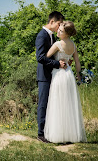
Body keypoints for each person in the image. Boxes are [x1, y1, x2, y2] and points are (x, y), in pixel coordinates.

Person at [44, 21, 87, 143]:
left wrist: (57, 61)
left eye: (61, 31)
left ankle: (58, 135)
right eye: (59, 29)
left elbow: (46, 56)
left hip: (59, 74)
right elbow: (77, 62)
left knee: (58, 103)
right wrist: (79, 75)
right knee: (68, 104)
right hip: (69, 75)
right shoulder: (73, 45)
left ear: (67, 34)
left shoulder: (58, 44)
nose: (58, 31)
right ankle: (70, 135)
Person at [35, 11, 67, 143]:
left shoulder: (51, 36)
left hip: (53, 74)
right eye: (59, 24)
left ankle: (50, 132)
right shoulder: (42, 36)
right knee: (43, 104)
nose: (60, 27)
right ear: (52, 22)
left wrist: (63, 61)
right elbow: (40, 58)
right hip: (44, 76)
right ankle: (41, 134)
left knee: (52, 104)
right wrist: (57, 64)